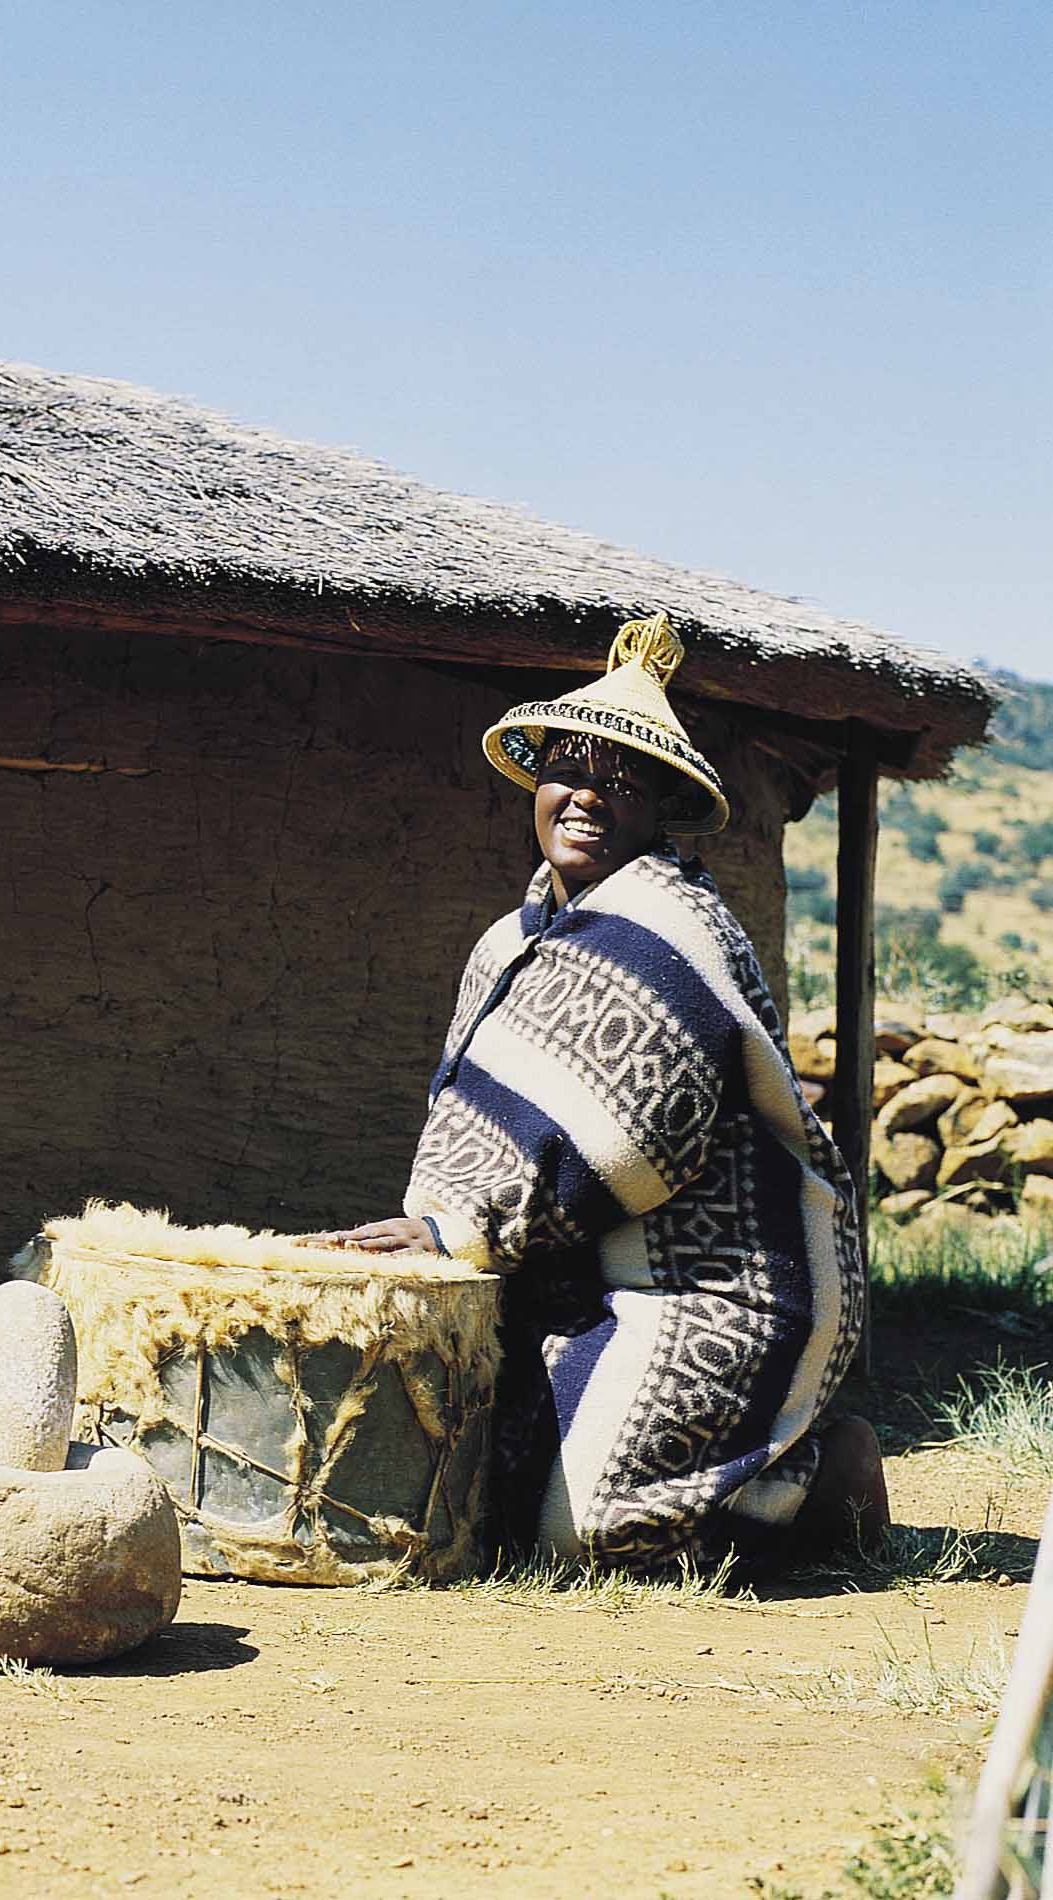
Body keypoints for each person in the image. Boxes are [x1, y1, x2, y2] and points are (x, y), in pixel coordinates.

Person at [331, 613, 884, 1572]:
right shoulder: (510, 940)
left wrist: (456, 1232)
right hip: (563, 1270)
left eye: (621, 782)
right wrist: (447, 1234)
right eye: (568, 770)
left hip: (720, 1282)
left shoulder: (672, 928)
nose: (586, 796)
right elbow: (467, 1118)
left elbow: (636, 1135)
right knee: (479, 1501)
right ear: (533, 783)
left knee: (583, 1528)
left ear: (661, 810)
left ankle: (826, 1480)